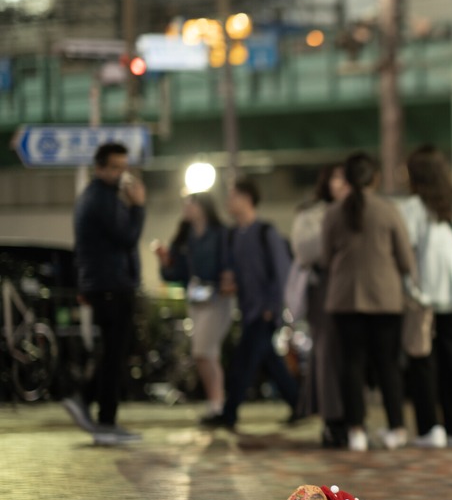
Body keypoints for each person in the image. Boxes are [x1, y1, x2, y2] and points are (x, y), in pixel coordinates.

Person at [321, 152, 416, 452]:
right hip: (385, 299)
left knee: (351, 366)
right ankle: (397, 428)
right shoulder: (388, 210)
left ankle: (356, 431)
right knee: (387, 365)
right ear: (374, 178)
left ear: (347, 179)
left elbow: (325, 258)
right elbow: (406, 260)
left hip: (344, 299)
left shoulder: (333, 213)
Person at [397, 145, 452, 449]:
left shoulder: (410, 208)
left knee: (423, 361)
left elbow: (405, 254)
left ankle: (430, 428)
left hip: (423, 295)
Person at [66, 142, 146, 446]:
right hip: (112, 285)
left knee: (112, 351)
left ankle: (87, 403)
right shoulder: (101, 198)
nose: (120, 174)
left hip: (105, 284)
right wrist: (138, 205)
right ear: (99, 168)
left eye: (123, 167)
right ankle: (104, 421)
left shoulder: (97, 196)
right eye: (114, 168)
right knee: (114, 353)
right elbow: (127, 237)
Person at [219, 177, 299, 430]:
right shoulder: (234, 235)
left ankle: (229, 413)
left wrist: (272, 307)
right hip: (248, 310)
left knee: (244, 361)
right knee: (269, 362)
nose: (229, 201)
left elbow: (282, 271)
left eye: (233, 196)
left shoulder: (267, 232)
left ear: (246, 198)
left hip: (264, 312)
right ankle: (300, 404)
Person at [155, 193, 234, 424]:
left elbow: (229, 264)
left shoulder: (220, 234)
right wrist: (163, 261)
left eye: (190, 204)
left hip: (217, 298)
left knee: (204, 353)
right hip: (196, 300)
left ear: (202, 207)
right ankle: (216, 406)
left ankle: (218, 405)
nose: (186, 209)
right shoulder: (185, 237)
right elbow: (175, 273)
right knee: (205, 355)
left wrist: (228, 279)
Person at [290, 164, 350, 447]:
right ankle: (332, 419)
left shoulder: (359, 209)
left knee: (352, 355)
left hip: (354, 287)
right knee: (327, 355)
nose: (342, 183)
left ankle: (352, 419)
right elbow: (305, 250)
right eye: (337, 177)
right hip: (324, 289)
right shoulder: (311, 213)